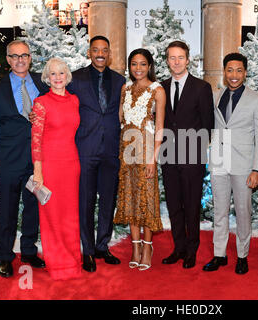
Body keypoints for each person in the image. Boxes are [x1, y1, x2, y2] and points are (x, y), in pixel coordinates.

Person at [0, 40, 48, 278]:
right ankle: (5, 257)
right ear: (8, 60)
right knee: (7, 211)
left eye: (25, 55)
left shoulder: (44, 83)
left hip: (37, 159)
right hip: (7, 160)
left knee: (32, 208)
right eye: (15, 56)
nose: (21, 60)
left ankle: (29, 251)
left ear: (30, 58)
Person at [203, 53, 258, 275]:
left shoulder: (257, 100)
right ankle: (219, 254)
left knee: (243, 212)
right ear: (224, 72)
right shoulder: (215, 96)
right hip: (219, 162)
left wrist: (257, 169)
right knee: (219, 212)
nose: (234, 75)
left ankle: (242, 255)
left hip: (244, 165)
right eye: (230, 70)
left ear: (245, 72)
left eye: (239, 70)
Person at [70, 36, 126, 272]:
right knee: (85, 201)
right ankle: (88, 250)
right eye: (96, 50)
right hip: (85, 149)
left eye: (104, 50)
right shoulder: (76, 78)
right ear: (89, 53)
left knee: (108, 200)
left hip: (111, 149)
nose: (100, 53)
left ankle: (103, 245)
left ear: (109, 53)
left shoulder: (120, 80)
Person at [160, 41, 214, 269]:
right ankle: (178, 248)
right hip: (169, 158)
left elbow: (208, 125)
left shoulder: (201, 87)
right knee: (174, 206)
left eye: (180, 57)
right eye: (172, 58)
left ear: (188, 59)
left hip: (192, 158)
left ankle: (192, 250)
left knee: (191, 206)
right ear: (167, 61)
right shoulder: (160, 86)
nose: (176, 62)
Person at [113, 48, 166, 271]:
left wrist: (153, 159)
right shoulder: (125, 88)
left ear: (150, 66)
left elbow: (161, 127)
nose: (138, 68)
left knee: (147, 200)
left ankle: (147, 247)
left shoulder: (158, 90)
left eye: (143, 64)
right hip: (127, 151)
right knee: (130, 199)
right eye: (134, 64)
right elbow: (120, 119)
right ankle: (135, 247)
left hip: (146, 151)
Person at [31, 57, 81, 280]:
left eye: (61, 73)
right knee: (52, 215)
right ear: (47, 77)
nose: (58, 77)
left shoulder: (75, 101)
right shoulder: (41, 103)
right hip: (49, 166)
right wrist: (38, 170)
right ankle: (58, 264)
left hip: (72, 164)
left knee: (70, 215)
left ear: (67, 76)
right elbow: (36, 140)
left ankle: (72, 261)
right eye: (53, 73)